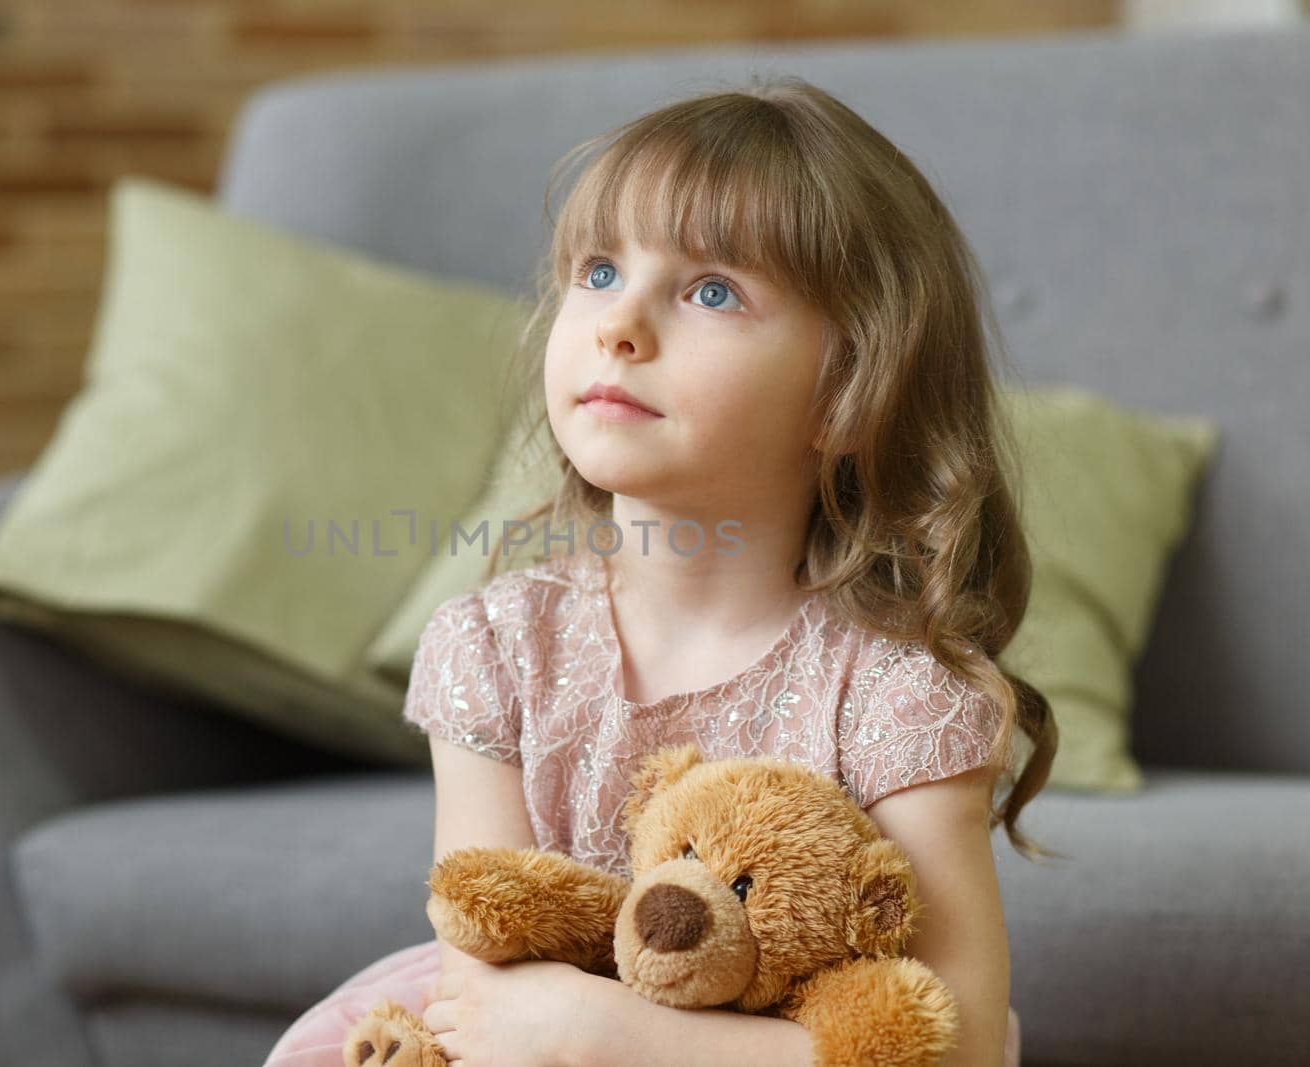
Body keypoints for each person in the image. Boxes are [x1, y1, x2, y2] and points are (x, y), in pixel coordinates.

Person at [263, 74, 1059, 1067]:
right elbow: (483, 970)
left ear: (850, 392)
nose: (619, 323)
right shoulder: (495, 645)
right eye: (597, 272)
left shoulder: (895, 696)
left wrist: (612, 1036)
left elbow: (959, 1043)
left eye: (710, 290)